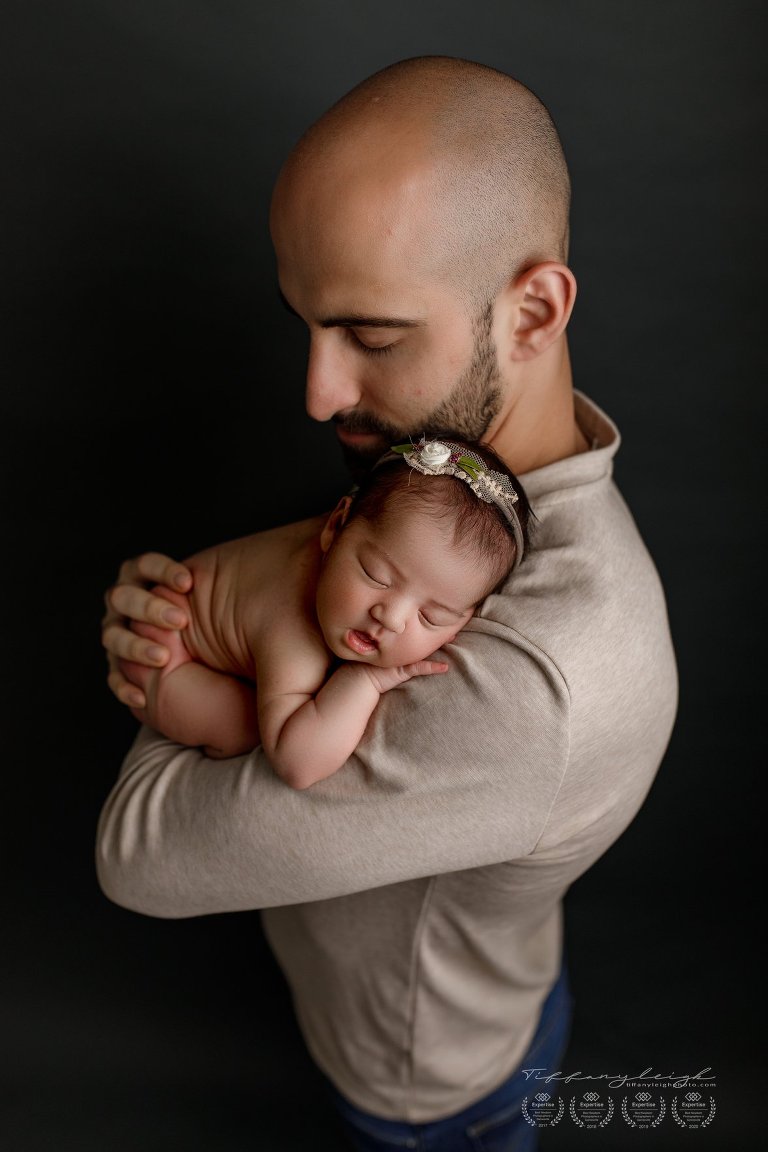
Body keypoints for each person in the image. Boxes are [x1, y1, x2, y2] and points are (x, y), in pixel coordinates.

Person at [97, 56, 678, 1151]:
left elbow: (137, 849)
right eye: (307, 324)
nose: (317, 393)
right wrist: (210, 601)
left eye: (369, 336)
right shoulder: (442, 486)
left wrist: (194, 636)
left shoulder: (538, 684)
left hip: (431, 1085)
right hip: (429, 993)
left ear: (534, 310)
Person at [124, 438, 531, 789]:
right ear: (334, 527)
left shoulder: (368, 539)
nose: (391, 618)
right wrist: (364, 680)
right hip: (163, 653)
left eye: (433, 617)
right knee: (249, 730)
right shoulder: (294, 633)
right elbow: (296, 764)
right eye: (376, 575)